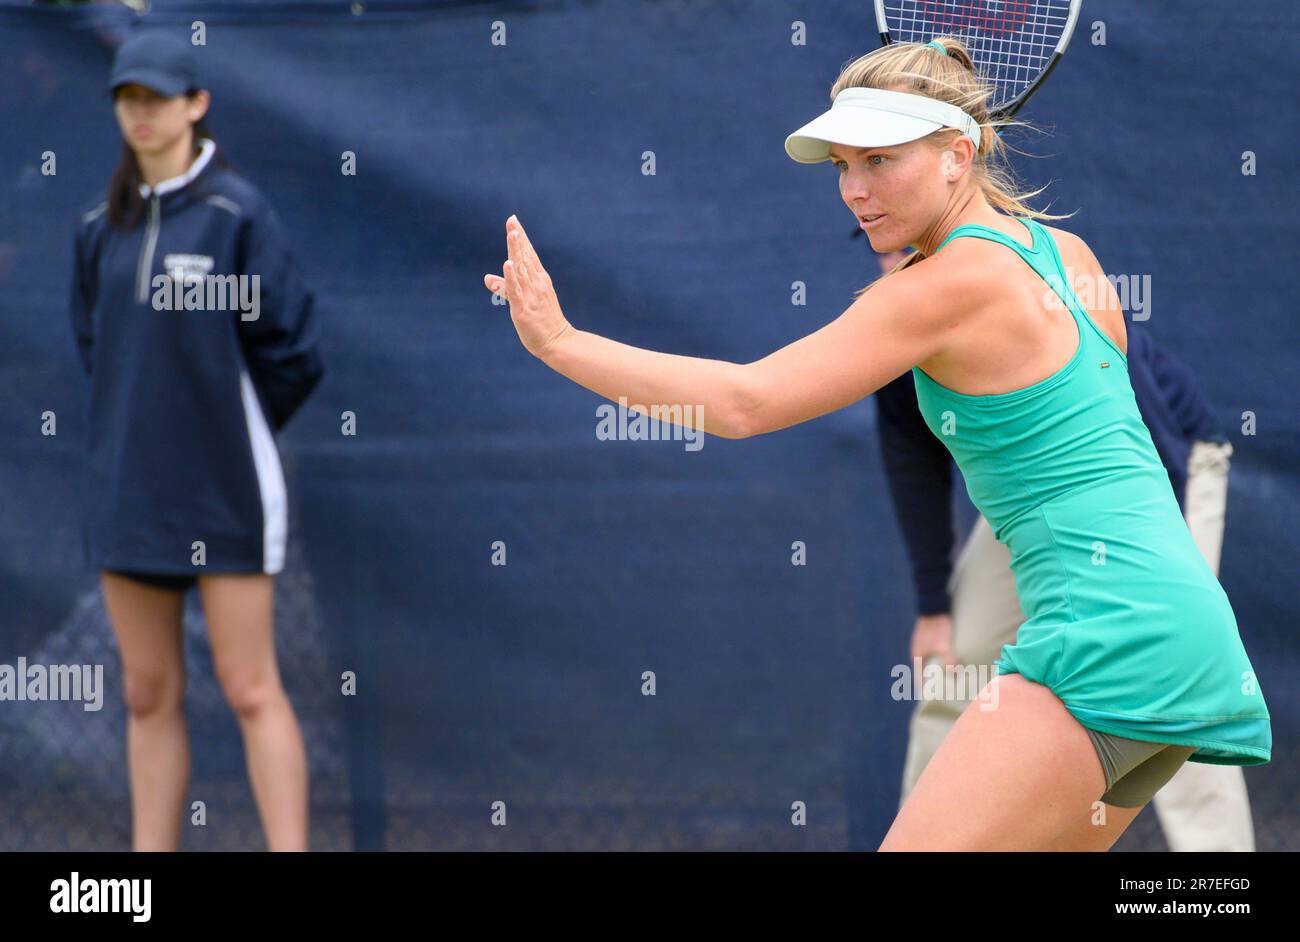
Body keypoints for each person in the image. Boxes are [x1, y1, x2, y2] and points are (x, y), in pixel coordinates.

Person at [482, 37, 1271, 850]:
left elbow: (746, 402)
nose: (855, 191)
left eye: (881, 161)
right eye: (841, 166)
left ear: (958, 155)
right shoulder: (1065, 253)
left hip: (1103, 640)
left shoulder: (942, 287)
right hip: (1188, 636)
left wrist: (560, 345)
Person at [873, 243, 1254, 849]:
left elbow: (1144, 447)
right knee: (958, 663)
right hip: (1040, 502)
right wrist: (932, 610)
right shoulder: (890, 332)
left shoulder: (1033, 294)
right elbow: (914, 467)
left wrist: (1154, 580)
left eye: (912, 251)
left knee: (1170, 690)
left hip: (1164, 475)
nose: (896, 264)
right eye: (885, 252)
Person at [70, 31, 324, 850]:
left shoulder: (236, 214)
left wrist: (221, 426)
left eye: (156, 97)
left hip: (224, 491)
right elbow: (94, 350)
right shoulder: (95, 231)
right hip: (128, 495)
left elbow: (293, 351)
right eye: (127, 98)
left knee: (251, 687)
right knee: (146, 693)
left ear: (196, 105)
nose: (141, 113)